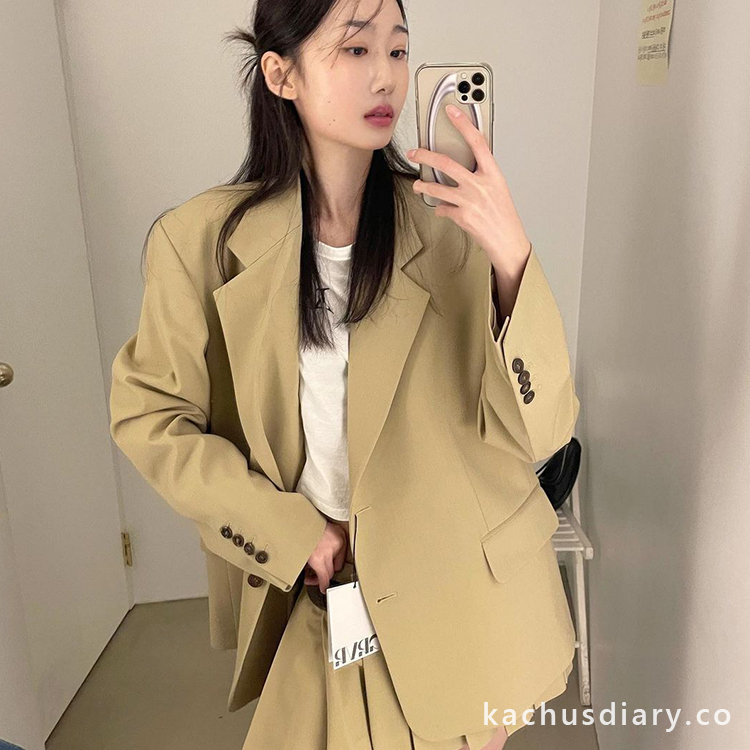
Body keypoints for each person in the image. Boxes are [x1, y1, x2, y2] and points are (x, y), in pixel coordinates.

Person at [109, 0, 580, 748]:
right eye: (356, 50)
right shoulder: (200, 242)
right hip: (321, 590)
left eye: (398, 50)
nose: (386, 76)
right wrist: (288, 529)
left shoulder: (452, 229)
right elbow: (152, 419)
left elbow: (543, 430)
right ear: (281, 74)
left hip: (464, 602)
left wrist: (512, 260)